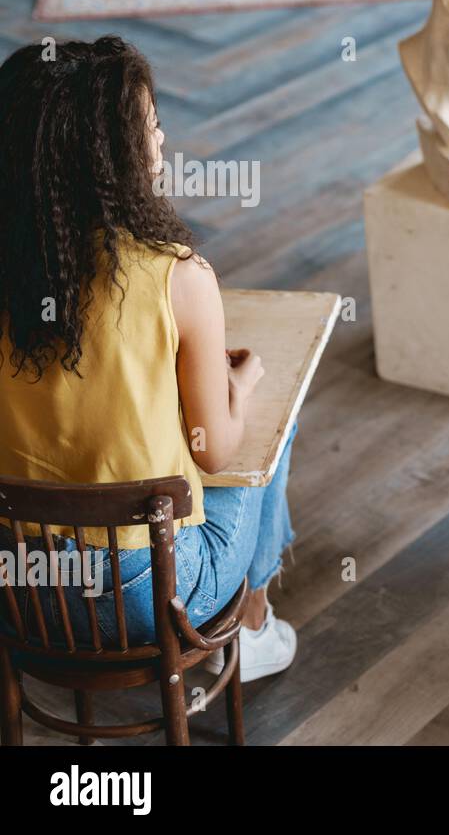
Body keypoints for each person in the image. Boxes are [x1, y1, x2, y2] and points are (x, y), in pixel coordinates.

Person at [0, 37, 296, 682]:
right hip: (140, 595)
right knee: (278, 421)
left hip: (16, 585)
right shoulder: (177, 276)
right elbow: (214, 453)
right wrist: (235, 391)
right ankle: (251, 627)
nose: (161, 143)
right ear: (109, 159)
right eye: (149, 129)